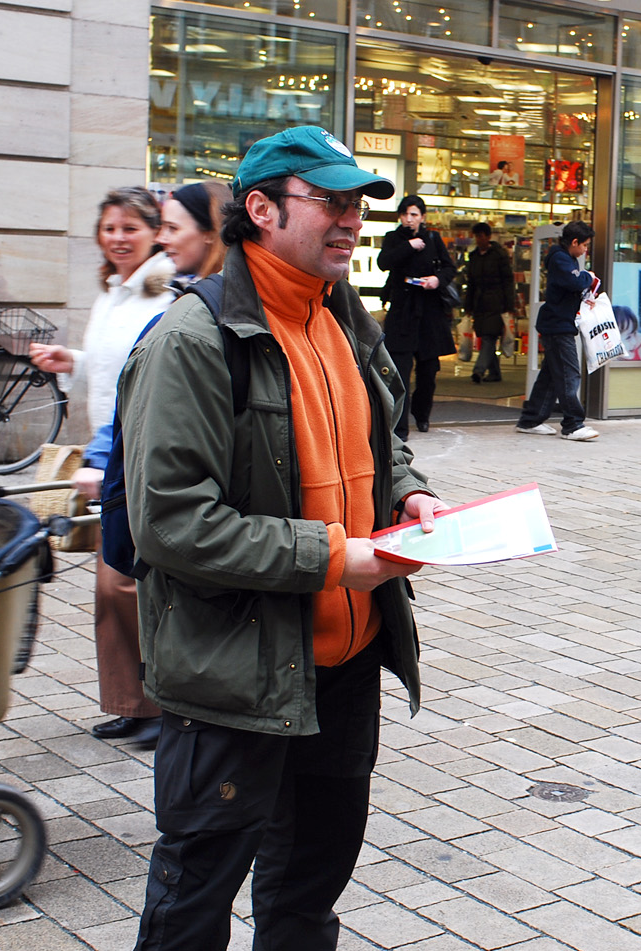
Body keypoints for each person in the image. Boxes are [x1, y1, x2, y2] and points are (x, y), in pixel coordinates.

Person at [118, 125, 450, 951]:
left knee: (307, 894)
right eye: (329, 202)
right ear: (260, 208)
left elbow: (384, 437)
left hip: (343, 666)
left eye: (356, 206)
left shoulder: (343, 314)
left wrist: (406, 490)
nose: (350, 222)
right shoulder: (191, 343)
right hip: (235, 673)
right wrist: (338, 557)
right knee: (194, 902)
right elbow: (169, 523)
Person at [29, 186, 174, 750]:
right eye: (109, 228)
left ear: (156, 232)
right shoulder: (112, 292)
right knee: (109, 583)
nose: (117, 239)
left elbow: (145, 384)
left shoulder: (165, 296)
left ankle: (159, 704)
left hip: (136, 453)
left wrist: (104, 455)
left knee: (128, 583)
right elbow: (113, 369)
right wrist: (75, 363)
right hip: (108, 451)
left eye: (130, 229)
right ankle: (129, 703)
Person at [377, 194, 457, 436]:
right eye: (405, 214)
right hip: (403, 310)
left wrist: (436, 280)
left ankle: (422, 415)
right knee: (399, 370)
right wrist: (408, 246)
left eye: (414, 215)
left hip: (429, 312)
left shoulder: (432, 237)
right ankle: (399, 427)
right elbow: (384, 262)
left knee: (428, 371)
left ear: (422, 217)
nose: (409, 219)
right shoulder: (394, 238)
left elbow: (449, 267)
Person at [514, 221, 600, 441]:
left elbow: (570, 288)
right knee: (569, 373)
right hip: (557, 326)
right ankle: (573, 424)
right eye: (585, 245)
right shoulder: (560, 258)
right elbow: (574, 282)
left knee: (551, 375)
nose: (585, 250)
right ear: (574, 242)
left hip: (559, 323)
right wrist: (588, 277)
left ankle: (530, 420)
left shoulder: (565, 258)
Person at [463, 221, 514, 384]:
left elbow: (508, 281)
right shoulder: (474, 257)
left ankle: (478, 370)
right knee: (484, 336)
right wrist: (468, 305)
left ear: (488, 236)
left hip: (496, 302)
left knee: (489, 337)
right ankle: (495, 372)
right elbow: (471, 283)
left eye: (480, 236)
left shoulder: (499, 255)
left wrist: (509, 305)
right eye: (476, 236)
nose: (478, 239)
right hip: (479, 302)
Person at [158, 180, 232, 286]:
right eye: (161, 227)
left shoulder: (226, 296)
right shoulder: (169, 288)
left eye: (172, 228)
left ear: (210, 234)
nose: (160, 239)